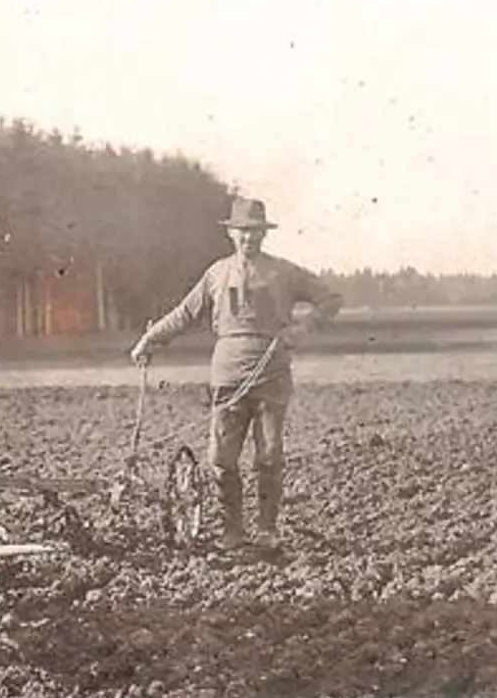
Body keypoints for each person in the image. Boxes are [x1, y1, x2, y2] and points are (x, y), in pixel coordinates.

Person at [129, 197, 342, 550]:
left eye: (256, 232)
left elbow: (332, 298)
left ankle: (267, 531)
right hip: (227, 374)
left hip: (271, 373)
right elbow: (184, 314)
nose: (249, 239)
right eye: (243, 232)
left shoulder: (284, 272)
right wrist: (149, 340)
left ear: (264, 234)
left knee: (269, 454)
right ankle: (232, 531)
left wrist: (301, 330)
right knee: (221, 459)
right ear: (231, 233)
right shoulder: (216, 273)